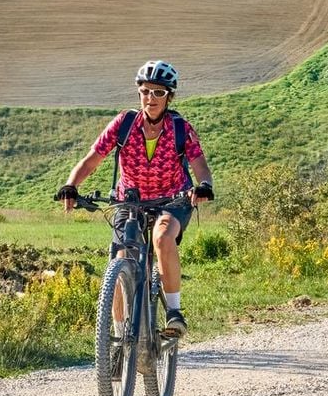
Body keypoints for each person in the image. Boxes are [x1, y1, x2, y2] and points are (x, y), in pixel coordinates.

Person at [58, 59, 213, 334]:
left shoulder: (180, 128)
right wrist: (71, 184)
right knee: (120, 258)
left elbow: (199, 162)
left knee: (162, 238)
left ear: (170, 96)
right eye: (145, 91)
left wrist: (203, 185)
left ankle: (174, 312)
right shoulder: (124, 124)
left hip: (172, 200)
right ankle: (117, 339)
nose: (150, 98)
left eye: (158, 92)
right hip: (129, 200)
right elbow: (92, 159)